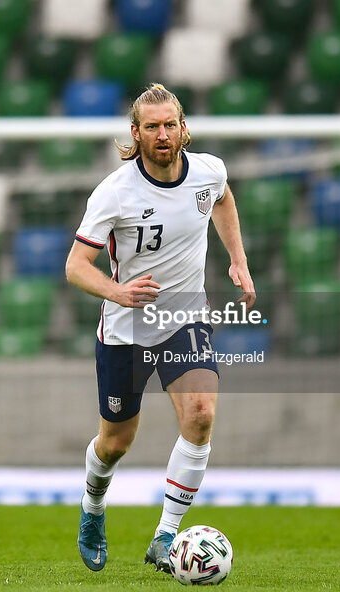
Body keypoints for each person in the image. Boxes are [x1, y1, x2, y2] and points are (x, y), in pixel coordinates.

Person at [64, 83, 255, 574]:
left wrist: (238, 259)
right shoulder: (115, 191)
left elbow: (224, 199)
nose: (163, 133)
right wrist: (117, 291)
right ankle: (93, 507)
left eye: (171, 124)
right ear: (136, 133)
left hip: (183, 317)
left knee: (200, 412)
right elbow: (75, 266)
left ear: (184, 128)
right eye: (152, 126)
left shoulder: (208, 172)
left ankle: (165, 535)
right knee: (115, 442)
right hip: (126, 328)